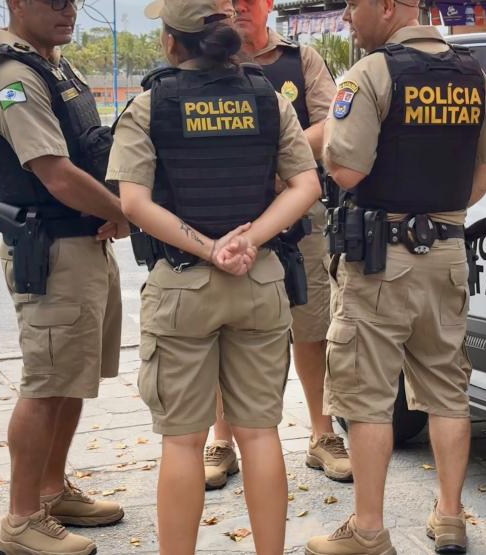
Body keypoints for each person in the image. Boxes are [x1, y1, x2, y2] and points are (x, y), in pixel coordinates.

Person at [108, 1, 321, 553]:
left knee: (182, 443)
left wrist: (209, 248)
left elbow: (132, 201)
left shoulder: (150, 105)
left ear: (170, 42)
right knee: (259, 434)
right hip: (260, 282)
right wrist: (248, 241)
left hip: (181, 287)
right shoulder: (268, 99)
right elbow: (306, 186)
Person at [306, 1, 486, 554]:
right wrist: (436, 213)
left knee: (367, 397)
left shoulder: (370, 73)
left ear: (387, 7)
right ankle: (450, 517)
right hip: (446, 254)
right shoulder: (473, 74)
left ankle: (368, 531)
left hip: (378, 261)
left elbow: (347, 169)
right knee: (447, 390)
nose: (347, 17)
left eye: (353, 6)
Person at [0, 0, 129, 553]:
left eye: (73, 0)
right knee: (45, 383)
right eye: (53, 0)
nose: (69, 10)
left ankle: (51, 491)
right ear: (15, 3)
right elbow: (55, 174)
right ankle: (20, 521)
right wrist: (123, 212)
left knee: (72, 377)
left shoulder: (55, 65)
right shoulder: (11, 76)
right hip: (52, 247)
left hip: (82, 244)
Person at [202, 0, 348, 491]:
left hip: (299, 219)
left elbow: (332, 126)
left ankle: (322, 433)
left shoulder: (301, 61)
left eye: (250, 0)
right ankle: (221, 440)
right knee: (225, 328)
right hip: (227, 223)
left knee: (311, 328)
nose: (239, 7)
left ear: (268, 6)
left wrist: (272, 151)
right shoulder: (204, 60)